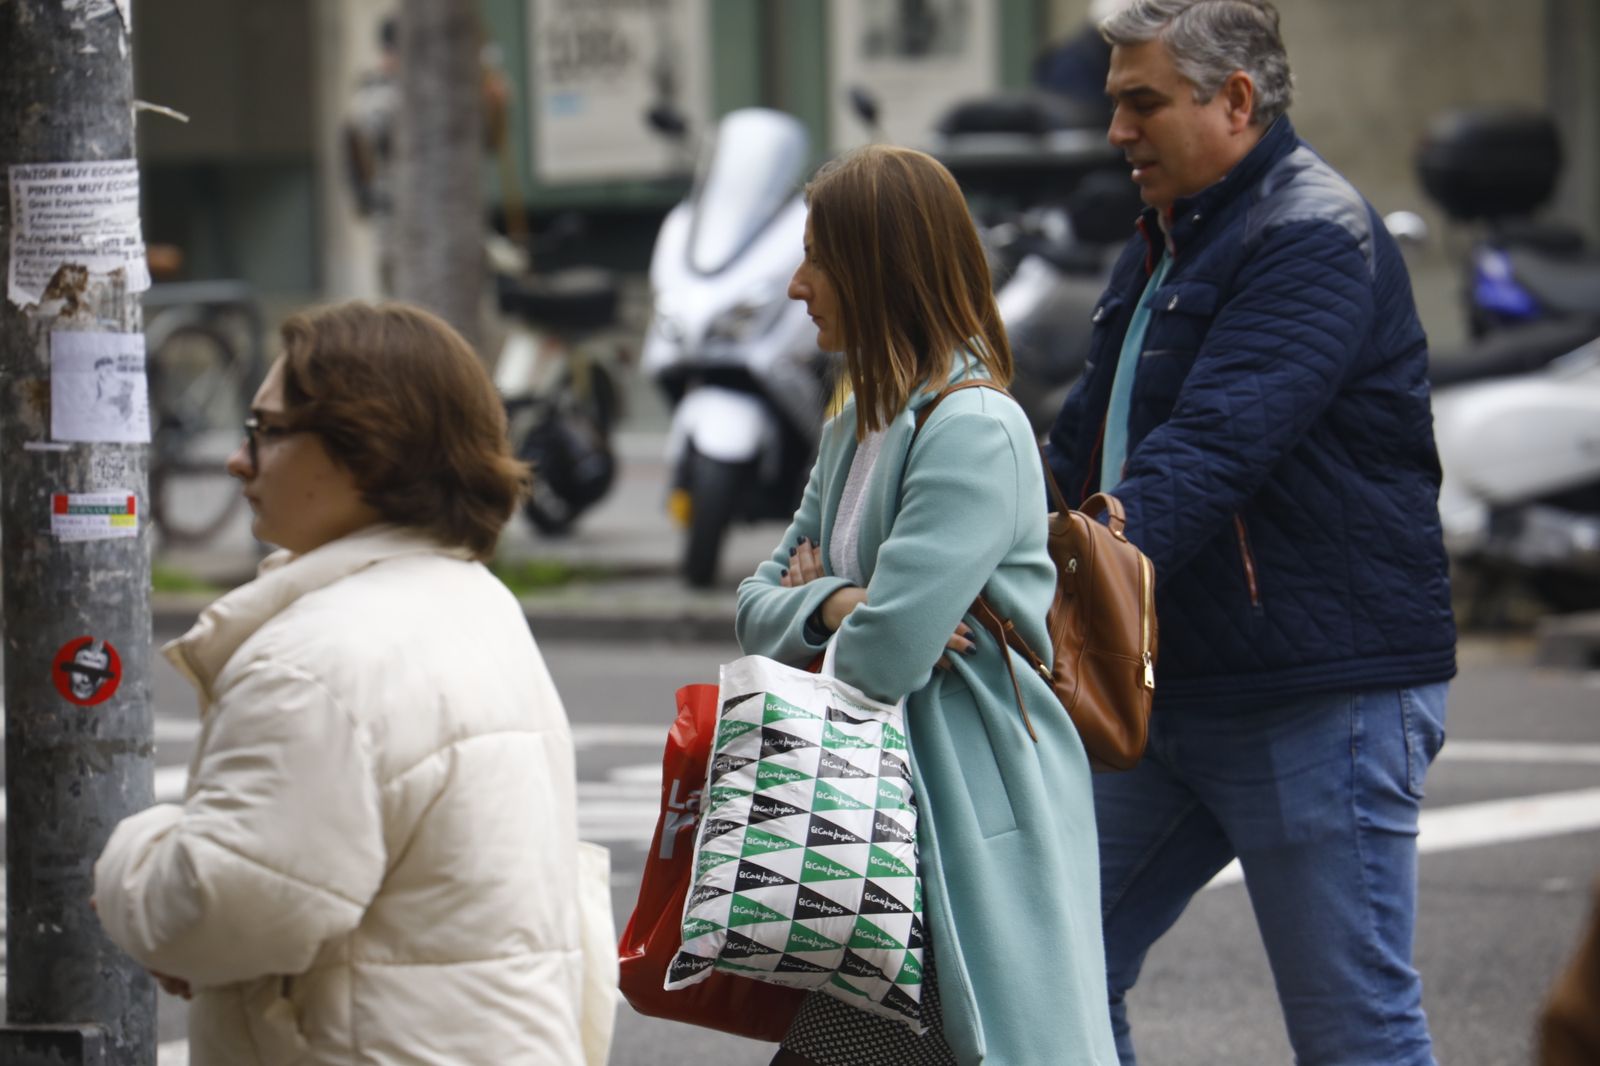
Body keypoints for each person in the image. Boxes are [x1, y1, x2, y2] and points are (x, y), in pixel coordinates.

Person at [1041, 2, 1457, 1063]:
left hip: (1317, 693)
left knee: (1354, 1031)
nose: (1117, 132)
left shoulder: (1310, 232)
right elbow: (1084, 442)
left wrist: (1058, 566)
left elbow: (1211, 448)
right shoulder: (1164, 237)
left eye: (1143, 103)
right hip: (1164, 684)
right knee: (1044, 974)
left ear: (1234, 100)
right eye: (1115, 103)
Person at [93, 302, 613, 1065]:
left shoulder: (314, 661)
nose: (239, 460)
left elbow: (223, 908)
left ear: (367, 449)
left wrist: (130, 852)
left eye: (267, 431)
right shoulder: (471, 599)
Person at [738, 144, 1117, 1066]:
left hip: (958, 822)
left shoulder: (974, 428)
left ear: (879, 268)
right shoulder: (855, 422)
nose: (796, 287)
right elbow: (753, 608)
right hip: (874, 822)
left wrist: (825, 604)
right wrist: (842, 602)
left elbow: (886, 658)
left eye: (817, 260)